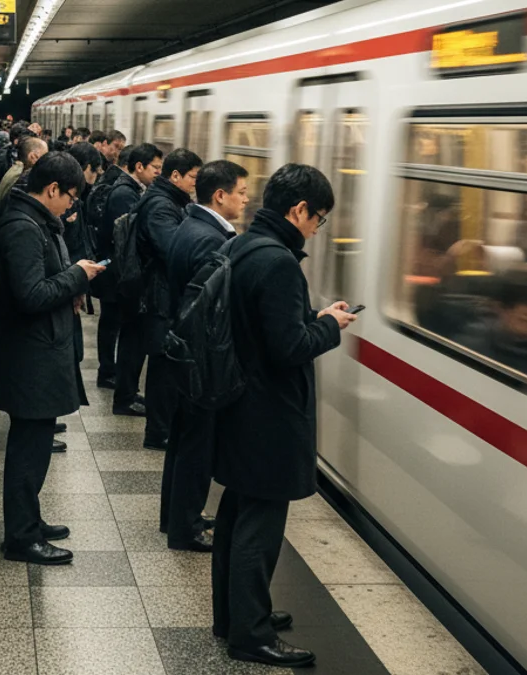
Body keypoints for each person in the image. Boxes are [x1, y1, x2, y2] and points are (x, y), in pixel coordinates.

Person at [212, 163, 355, 668]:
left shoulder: (245, 245)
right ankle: (249, 635)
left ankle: (233, 616)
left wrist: (310, 317)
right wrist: (330, 326)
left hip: (240, 403)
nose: (317, 228)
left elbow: (264, 326)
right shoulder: (277, 262)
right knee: (260, 525)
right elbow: (286, 347)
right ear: (298, 211)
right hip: (267, 413)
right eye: (318, 219)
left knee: (236, 513)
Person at [0, 152, 106, 565]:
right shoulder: (23, 227)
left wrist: (71, 282)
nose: (72, 205)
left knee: (35, 447)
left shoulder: (36, 220)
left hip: (38, 349)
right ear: (52, 189)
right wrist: (77, 275)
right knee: (28, 449)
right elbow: (30, 294)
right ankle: (21, 537)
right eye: (70, 197)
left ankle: (30, 520)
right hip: (29, 356)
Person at [159, 159, 248, 553]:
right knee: (197, 445)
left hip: (180, 348)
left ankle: (173, 515)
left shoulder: (189, 225)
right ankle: (185, 527)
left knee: (181, 439)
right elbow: (210, 307)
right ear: (220, 195)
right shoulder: (213, 239)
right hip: (199, 356)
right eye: (242, 193)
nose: (246, 201)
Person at [133, 147, 202, 451]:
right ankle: (158, 432)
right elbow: (174, 251)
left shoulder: (166, 200)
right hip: (159, 296)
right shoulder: (161, 206)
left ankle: (162, 427)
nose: (194, 185)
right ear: (175, 176)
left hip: (161, 293)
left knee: (164, 365)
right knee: (162, 367)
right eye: (192, 178)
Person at [102, 143, 160, 399]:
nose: (160, 173)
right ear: (139, 167)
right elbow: (125, 241)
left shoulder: (130, 190)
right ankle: (114, 379)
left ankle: (116, 378)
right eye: (156, 168)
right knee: (123, 331)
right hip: (120, 276)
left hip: (120, 274)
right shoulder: (126, 194)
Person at [63, 142, 104, 263]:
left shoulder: (82, 193)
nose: (95, 178)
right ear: (87, 168)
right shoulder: (70, 197)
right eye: (95, 172)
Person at [0, 135, 48, 216]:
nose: (47, 161)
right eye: (45, 156)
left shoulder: (15, 169)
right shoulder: (24, 180)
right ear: (33, 157)